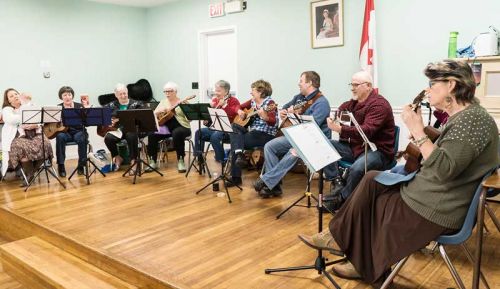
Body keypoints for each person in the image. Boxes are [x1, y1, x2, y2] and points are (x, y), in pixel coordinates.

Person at [298, 59, 499, 288]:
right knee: (372, 179)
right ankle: (348, 248)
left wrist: (416, 129)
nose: (428, 89)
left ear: (451, 85)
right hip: (433, 195)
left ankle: (354, 254)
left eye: (433, 83)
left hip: (440, 208)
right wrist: (422, 131)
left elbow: (443, 169)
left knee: (373, 200)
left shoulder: (472, 121)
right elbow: (446, 156)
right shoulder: (466, 117)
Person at [322, 71, 395, 210]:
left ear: (368, 86)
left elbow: (366, 131)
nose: (352, 88)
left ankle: (341, 199)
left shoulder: (379, 105)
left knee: (357, 168)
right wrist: (336, 118)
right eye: (351, 84)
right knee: (325, 145)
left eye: (356, 85)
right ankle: (337, 181)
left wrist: (340, 129)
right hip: (356, 148)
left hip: (378, 151)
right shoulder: (352, 104)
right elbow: (342, 111)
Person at [253, 71, 330, 197]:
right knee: (270, 146)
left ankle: (267, 180)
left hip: (315, 141)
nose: (298, 84)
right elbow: (285, 106)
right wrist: (284, 111)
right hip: (298, 136)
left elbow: (311, 126)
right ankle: (275, 186)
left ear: (309, 83)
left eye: (301, 81)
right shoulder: (299, 97)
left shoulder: (321, 103)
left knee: (293, 151)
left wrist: (296, 115)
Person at [226, 80, 278, 186]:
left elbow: (273, 123)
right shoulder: (253, 101)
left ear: (260, 92)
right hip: (253, 132)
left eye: (253, 90)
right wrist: (239, 111)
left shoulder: (270, 103)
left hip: (265, 135)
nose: (251, 92)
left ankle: (236, 176)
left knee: (235, 142)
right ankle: (240, 154)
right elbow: (237, 107)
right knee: (234, 127)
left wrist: (265, 116)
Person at [1, 88, 54, 185]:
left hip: (35, 133)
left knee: (45, 144)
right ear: (8, 100)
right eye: (11, 96)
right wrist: (27, 115)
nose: (15, 96)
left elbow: (40, 118)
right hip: (18, 136)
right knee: (20, 147)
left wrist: (36, 124)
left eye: (16, 94)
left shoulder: (29, 105)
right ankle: (29, 173)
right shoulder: (8, 110)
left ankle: (31, 173)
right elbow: (11, 120)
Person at [147, 82, 192, 173]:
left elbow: (190, 119)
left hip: (182, 126)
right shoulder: (163, 102)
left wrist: (187, 108)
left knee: (177, 133)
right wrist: (159, 111)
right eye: (165, 91)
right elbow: (154, 115)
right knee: (152, 133)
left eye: (169, 91)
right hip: (166, 127)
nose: (167, 93)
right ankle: (152, 161)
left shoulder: (183, 102)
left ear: (175, 92)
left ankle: (180, 160)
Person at [193, 80, 240, 164]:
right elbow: (214, 117)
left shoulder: (234, 101)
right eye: (215, 90)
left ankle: (222, 160)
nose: (216, 93)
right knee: (199, 132)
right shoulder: (215, 100)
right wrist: (208, 121)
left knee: (215, 137)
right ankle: (199, 158)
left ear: (226, 91)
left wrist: (224, 105)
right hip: (216, 128)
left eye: (218, 91)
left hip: (228, 130)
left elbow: (232, 115)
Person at [102, 83, 144, 172]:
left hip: (132, 130)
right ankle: (117, 157)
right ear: (116, 95)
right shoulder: (111, 105)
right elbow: (103, 115)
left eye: (125, 93)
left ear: (127, 92)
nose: (123, 96)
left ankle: (134, 161)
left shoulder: (137, 104)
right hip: (118, 131)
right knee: (108, 138)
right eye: (120, 94)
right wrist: (111, 121)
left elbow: (142, 118)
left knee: (131, 135)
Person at [55, 86, 87, 177]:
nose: (67, 97)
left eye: (69, 94)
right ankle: (61, 166)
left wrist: (86, 110)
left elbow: (86, 122)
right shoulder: (58, 108)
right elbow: (54, 124)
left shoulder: (79, 106)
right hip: (66, 133)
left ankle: (81, 165)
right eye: (65, 95)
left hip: (78, 131)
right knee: (60, 136)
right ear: (61, 97)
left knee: (81, 138)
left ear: (72, 96)